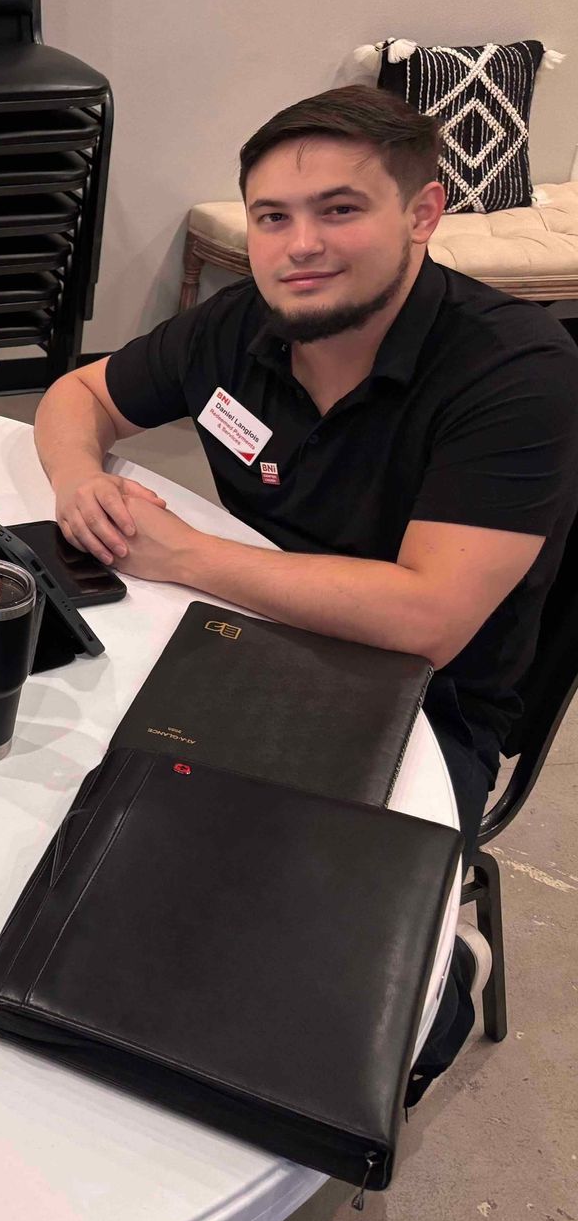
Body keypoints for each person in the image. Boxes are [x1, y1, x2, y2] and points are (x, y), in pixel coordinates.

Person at [33, 84, 578, 1092]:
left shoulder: (516, 372)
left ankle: (448, 965)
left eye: (340, 210)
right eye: (274, 217)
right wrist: (79, 479)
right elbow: (78, 395)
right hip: (236, 637)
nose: (299, 245)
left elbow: (430, 618)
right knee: (59, 844)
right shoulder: (243, 323)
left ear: (423, 214)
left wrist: (187, 557)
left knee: (317, 1031)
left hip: (420, 704)